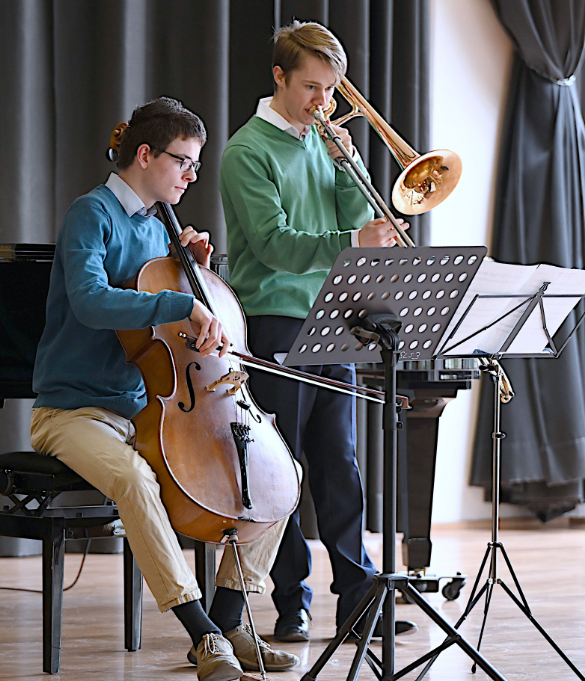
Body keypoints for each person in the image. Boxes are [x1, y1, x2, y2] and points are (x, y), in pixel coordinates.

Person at [31, 97, 299, 681]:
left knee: (273, 473)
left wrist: (192, 270)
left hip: (146, 408)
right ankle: (201, 634)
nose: (191, 175)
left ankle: (232, 622)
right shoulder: (91, 213)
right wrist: (180, 298)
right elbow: (92, 300)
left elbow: (167, 331)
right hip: (73, 410)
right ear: (145, 154)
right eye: (183, 161)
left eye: (195, 165)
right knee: (134, 477)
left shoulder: (160, 229)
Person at [218, 21, 415, 642]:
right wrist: (352, 241)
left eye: (331, 90)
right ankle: (290, 604)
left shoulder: (322, 142)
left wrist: (349, 167)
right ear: (278, 77)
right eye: (310, 87)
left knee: (342, 466)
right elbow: (274, 245)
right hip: (275, 316)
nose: (322, 103)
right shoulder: (245, 151)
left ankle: (360, 602)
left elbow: (359, 219)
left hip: (337, 316)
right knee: (286, 471)